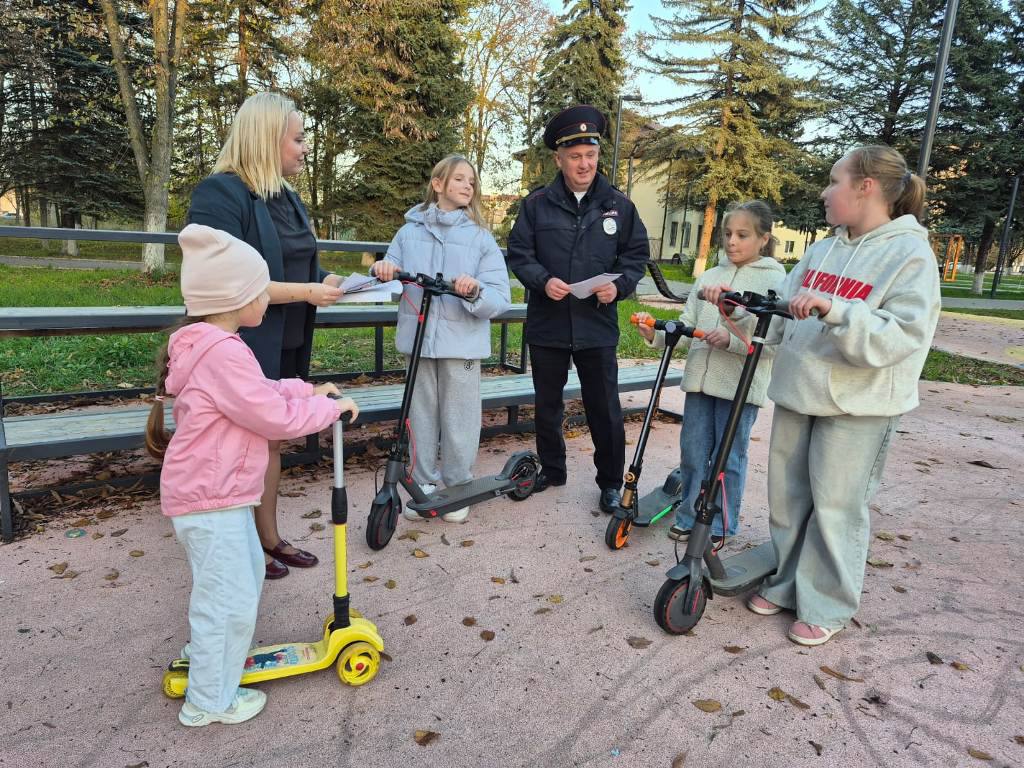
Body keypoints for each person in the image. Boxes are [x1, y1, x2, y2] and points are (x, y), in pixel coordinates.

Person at [706, 145, 940, 647]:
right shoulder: (823, 249)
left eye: (835, 181)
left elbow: (904, 335)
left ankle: (826, 603)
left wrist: (837, 310)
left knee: (836, 506)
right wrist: (740, 309)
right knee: (788, 499)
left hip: (859, 404)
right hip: (800, 390)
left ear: (866, 187)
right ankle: (787, 583)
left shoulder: (909, 253)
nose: (825, 192)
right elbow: (783, 311)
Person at [145, 224, 358, 726]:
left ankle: (207, 656)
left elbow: (260, 392)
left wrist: (306, 390)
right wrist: (329, 410)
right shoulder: (220, 352)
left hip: (219, 494)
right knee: (229, 597)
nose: (267, 297)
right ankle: (209, 701)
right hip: (212, 497)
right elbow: (271, 417)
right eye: (260, 290)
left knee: (232, 587)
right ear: (235, 299)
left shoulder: (216, 346)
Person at [188, 92, 343, 579]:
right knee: (237, 445)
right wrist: (308, 291)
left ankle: (267, 537)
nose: (305, 148)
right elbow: (224, 283)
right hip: (240, 343)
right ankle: (242, 547)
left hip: (287, 338)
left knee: (271, 440)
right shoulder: (220, 194)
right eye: (298, 139)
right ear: (266, 138)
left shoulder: (289, 197)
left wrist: (332, 283)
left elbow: (301, 265)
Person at [506, 105, 649, 513]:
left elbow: (635, 256)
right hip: (549, 323)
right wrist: (541, 280)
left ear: (598, 155)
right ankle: (552, 470)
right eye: (575, 156)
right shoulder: (536, 204)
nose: (584, 163)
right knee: (547, 406)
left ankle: (610, 483)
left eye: (590, 154)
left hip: (596, 324)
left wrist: (617, 287)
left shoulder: (620, 206)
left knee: (604, 408)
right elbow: (520, 253)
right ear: (559, 159)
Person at [635, 200, 786, 543]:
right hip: (699, 383)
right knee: (693, 452)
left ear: (764, 238)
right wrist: (655, 333)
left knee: (727, 458)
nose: (732, 241)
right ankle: (689, 514)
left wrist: (732, 341)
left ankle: (720, 525)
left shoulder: (776, 282)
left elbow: (774, 344)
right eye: (727, 233)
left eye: (743, 235)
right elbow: (687, 325)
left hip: (739, 388)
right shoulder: (710, 276)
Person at [371, 155, 511, 522]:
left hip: (461, 344)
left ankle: (458, 487)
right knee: (419, 415)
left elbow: (500, 296)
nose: (468, 186)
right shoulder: (408, 233)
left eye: (471, 181)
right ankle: (423, 484)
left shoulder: (480, 237)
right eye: (460, 179)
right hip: (418, 342)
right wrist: (382, 269)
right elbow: (387, 273)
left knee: (460, 418)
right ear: (438, 184)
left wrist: (474, 290)